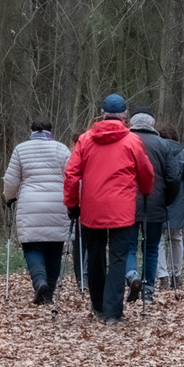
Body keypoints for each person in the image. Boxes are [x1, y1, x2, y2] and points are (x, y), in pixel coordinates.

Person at [63, 94, 154, 323]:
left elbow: (71, 174)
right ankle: (112, 311)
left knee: (94, 257)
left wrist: (72, 204)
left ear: (102, 113)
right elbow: (146, 173)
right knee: (117, 259)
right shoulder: (132, 142)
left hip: (92, 210)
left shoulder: (85, 140)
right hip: (121, 211)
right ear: (124, 116)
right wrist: (145, 189)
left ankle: (98, 305)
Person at [1, 117, 72, 305]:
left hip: (30, 206)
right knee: (55, 249)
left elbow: (10, 181)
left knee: (32, 247)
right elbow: (72, 177)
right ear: (51, 131)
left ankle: (39, 282)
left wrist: (8, 197)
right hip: (58, 205)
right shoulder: (61, 149)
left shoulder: (21, 149)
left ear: (31, 131)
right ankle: (48, 295)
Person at [125, 110, 182, 303]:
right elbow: (174, 178)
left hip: (128, 203)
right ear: (152, 123)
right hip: (155, 203)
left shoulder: (124, 142)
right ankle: (148, 289)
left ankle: (132, 275)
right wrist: (167, 200)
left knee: (130, 246)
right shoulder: (163, 145)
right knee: (150, 247)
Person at [155, 123, 184, 288]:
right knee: (177, 237)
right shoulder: (183, 154)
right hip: (178, 200)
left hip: (158, 199)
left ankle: (163, 276)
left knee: (158, 239)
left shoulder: (155, 152)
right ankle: (176, 275)